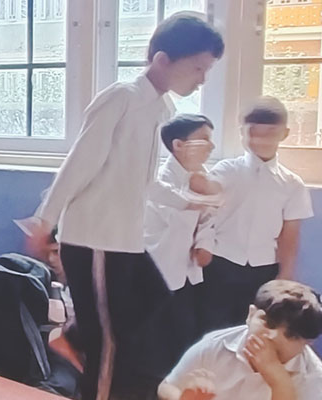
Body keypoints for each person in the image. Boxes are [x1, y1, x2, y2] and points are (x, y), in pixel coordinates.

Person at [18, 11, 224, 400]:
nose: (202, 79)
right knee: (108, 345)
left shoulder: (161, 110)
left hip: (126, 239)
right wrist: (45, 221)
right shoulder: (122, 98)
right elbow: (78, 165)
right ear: (162, 59)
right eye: (198, 68)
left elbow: (147, 182)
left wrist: (189, 203)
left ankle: (72, 336)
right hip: (95, 238)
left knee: (155, 295)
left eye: (207, 70)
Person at [194, 97, 312, 330]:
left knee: (254, 330)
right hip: (220, 263)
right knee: (212, 329)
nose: (260, 139)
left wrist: (285, 274)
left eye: (269, 133)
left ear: (285, 134)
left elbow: (290, 235)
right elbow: (207, 202)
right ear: (242, 133)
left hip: (264, 270)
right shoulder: (226, 170)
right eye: (253, 132)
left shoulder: (292, 184)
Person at [123, 114, 222, 388]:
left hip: (186, 275)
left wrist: (204, 243)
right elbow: (166, 222)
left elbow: (209, 218)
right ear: (178, 145)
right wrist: (202, 197)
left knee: (184, 338)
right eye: (204, 140)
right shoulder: (158, 181)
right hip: (157, 273)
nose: (211, 147)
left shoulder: (202, 177)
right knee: (153, 344)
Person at [159, 280, 322, 400]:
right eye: (269, 323)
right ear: (251, 314)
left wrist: (279, 381)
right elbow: (167, 386)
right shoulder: (216, 344)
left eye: (291, 335)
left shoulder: (318, 383)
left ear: (309, 341)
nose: (273, 336)